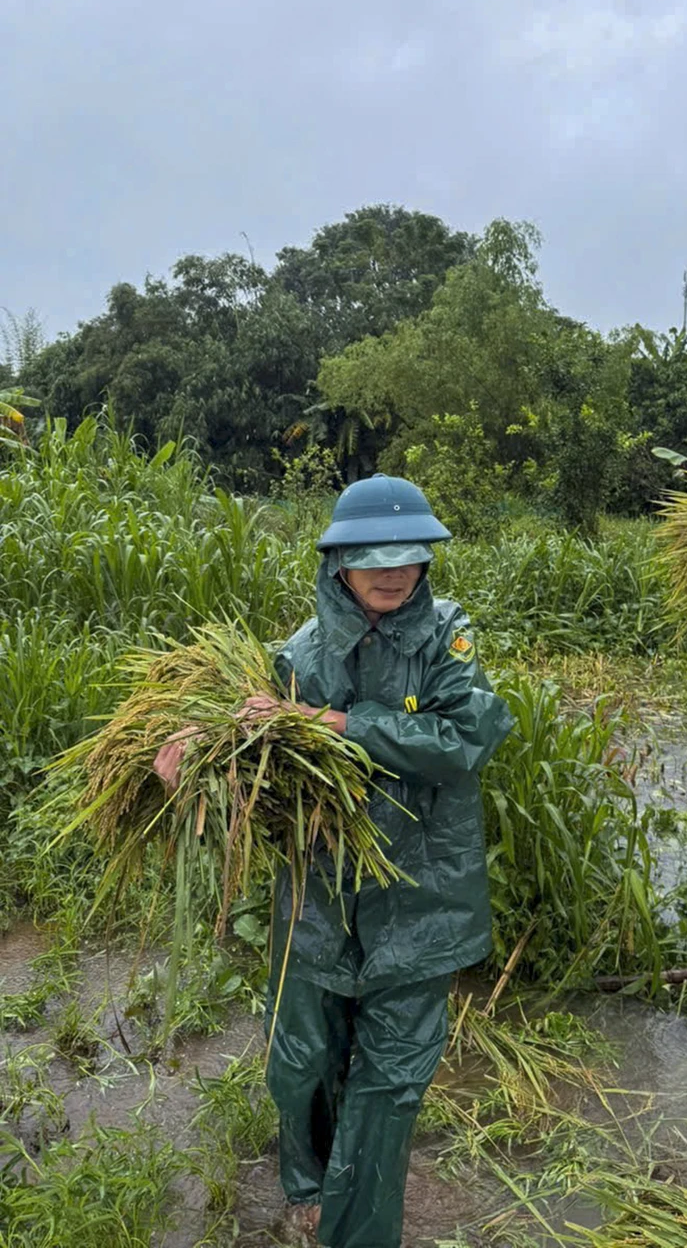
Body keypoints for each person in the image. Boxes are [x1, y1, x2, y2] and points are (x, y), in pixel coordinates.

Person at [154, 474, 514, 1246]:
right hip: (318, 901)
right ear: (336, 563)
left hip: (422, 903)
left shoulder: (448, 637)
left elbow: (465, 741)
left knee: (388, 1087)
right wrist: (199, 758)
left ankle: (355, 1231)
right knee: (303, 1062)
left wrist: (342, 722)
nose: (392, 572)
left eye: (407, 556)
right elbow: (257, 760)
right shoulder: (297, 655)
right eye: (370, 557)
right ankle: (309, 1180)